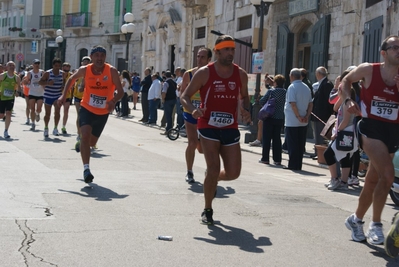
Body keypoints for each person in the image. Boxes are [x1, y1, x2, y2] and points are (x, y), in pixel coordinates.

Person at [181, 35, 251, 225]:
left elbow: (245, 97)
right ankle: (208, 209)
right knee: (213, 166)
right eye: (227, 50)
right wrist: (193, 109)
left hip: (230, 126)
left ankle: (212, 178)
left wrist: (245, 109)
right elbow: (185, 96)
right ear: (218, 51)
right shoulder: (204, 73)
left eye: (233, 50)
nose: (231, 53)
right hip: (207, 124)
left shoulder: (241, 74)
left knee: (233, 173)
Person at [342, 35, 399, 248]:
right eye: (394, 47)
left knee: (374, 181)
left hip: (393, 130)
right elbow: (346, 80)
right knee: (388, 174)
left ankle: (355, 219)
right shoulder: (368, 70)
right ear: (383, 53)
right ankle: (376, 224)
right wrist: (348, 99)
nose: (398, 50)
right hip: (370, 128)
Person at [58, 45, 124, 183]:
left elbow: (121, 91)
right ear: (92, 57)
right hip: (86, 107)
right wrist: (63, 96)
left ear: (105, 57)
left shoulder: (111, 71)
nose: (99, 58)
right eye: (96, 55)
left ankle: (83, 145)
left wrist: (113, 101)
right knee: (86, 135)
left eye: (102, 55)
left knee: (92, 143)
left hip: (103, 112)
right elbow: (71, 80)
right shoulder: (85, 70)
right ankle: (86, 169)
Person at [180, 47, 212, 183]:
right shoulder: (189, 74)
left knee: (203, 148)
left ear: (209, 60)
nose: (199, 59)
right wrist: (191, 107)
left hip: (206, 114)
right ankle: (189, 171)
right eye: (198, 56)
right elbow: (182, 95)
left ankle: (211, 169)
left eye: (202, 57)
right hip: (190, 112)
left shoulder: (212, 75)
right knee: (192, 142)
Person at [324, 70, 358, 191]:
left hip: (344, 132)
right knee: (344, 157)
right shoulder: (345, 102)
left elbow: (345, 121)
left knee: (328, 154)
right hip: (346, 133)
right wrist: (340, 96)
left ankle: (335, 178)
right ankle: (343, 182)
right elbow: (334, 107)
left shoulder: (348, 104)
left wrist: (336, 132)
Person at [283, 68, 313, 170]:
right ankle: (298, 164)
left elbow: (293, 104)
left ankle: (292, 164)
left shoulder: (292, 87)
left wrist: (298, 116)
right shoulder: (306, 88)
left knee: (292, 144)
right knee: (300, 144)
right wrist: (306, 116)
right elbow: (310, 104)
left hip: (292, 120)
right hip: (303, 120)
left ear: (291, 76)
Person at [259, 74, 286, 165]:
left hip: (269, 117)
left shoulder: (271, 91)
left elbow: (262, 101)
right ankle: (277, 159)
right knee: (277, 138)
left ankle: (265, 158)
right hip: (280, 118)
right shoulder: (285, 92)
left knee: (267, 138)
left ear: (276, 82)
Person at [310, 67, 334, 159]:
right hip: (318, 114)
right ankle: (317, 152)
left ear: (319, 74)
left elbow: (328, 101)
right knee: (317, 134)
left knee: (321, 135)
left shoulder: (327, 84)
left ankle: (320, 154)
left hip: (322, 115)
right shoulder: (322, 84)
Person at [39, 58, 66, 137]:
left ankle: (55, 128)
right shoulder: (48, 73)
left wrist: (63, 86)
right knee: (48, 114)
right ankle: (46, 128)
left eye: (58, 66)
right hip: (48, 95)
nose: (57, 67)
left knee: (57, 112)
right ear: (53, 65)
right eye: (55, 65)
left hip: (57, 95)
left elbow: (64, 82)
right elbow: (40, 82)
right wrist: (48, 83)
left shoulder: (62, 74)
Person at [249, 74, 274, 147]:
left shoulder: (271, 89)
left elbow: (263, 100)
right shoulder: (271, 88)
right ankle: (260, 139)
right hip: (270, 110)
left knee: (261, 123)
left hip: (269, 110)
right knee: (261, 123)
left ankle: (259, 140)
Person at [0, 61, 21, 138]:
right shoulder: (2, 76)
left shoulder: (17, 77)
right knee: (1, 116)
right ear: (6, 67)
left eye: (13, 65)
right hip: (2, 97)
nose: (11, 67)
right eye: (10, 65)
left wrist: (17, 92)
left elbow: (19, 86)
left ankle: (6, 131)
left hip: (10, 98)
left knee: (8, 113)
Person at [73, 56, 91, 141]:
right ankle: (79, 133)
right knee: (79, 116)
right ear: (81, 63)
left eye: (87, 62)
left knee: (89, 118)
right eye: (84, 62)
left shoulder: (92, 72)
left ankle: (88, 135)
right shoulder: (78, 72)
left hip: (88, 97)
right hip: (78, 97)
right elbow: (71, 81)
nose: (86, 63)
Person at [24, 59, 44, 131]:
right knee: (32, 109)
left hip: (40, 93)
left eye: (38, 63)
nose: (37, 65)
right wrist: (25, 83)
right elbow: (26, 81)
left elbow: (45, 81)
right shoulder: (30, 73)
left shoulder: (42, 72)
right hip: (32, 92)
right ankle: (33, 123)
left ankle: (37, 113)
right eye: (35, 63)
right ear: (33, 64)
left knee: (39, 109)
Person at [160, 71, 177, 135]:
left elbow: (164, 92)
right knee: (171, 115)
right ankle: (170, 128)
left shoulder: (166, 83)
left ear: (165, 76)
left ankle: (168, 130)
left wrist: (163, 99)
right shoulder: (174, 83)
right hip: (173, 100)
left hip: (168, 100)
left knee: (168, 115)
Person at [61, 62, 72, 134]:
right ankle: (55, 125)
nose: (66, 72)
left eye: (67, 70)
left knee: (66, 111)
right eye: (65, 70)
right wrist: (63, 78)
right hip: (58, 95)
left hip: (68, 95)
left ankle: (63, 126)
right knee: (57, 111)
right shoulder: (59, 74)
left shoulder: (71, 75)